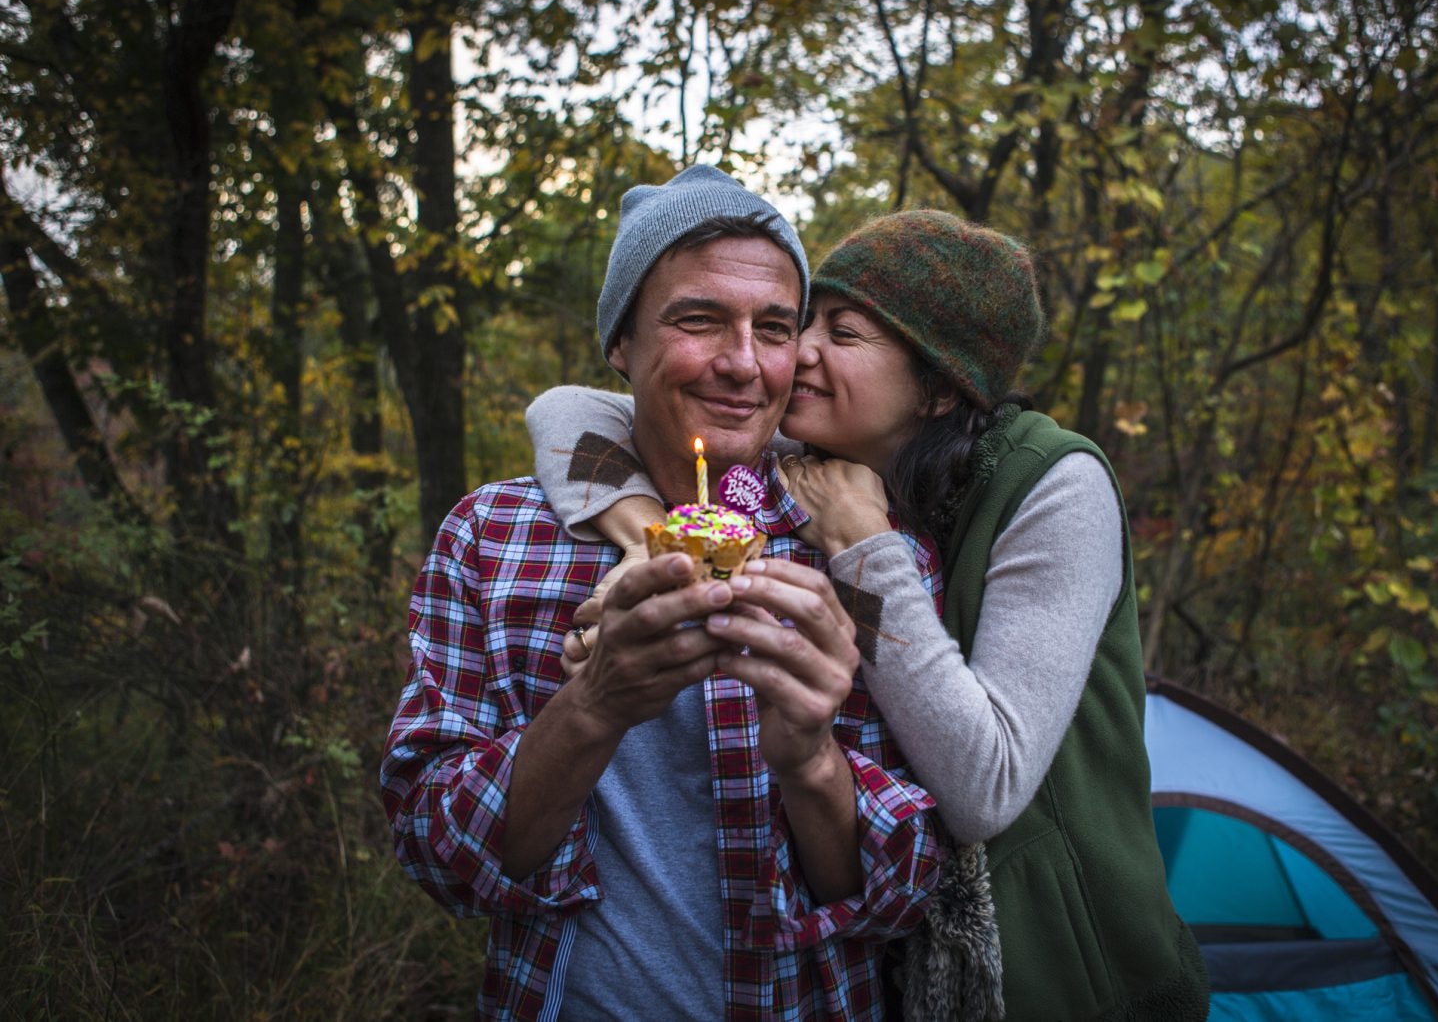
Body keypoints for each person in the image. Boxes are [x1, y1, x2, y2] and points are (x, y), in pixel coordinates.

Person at [528, 210, 1210, 1020]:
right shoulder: (820, 461)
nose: (795, 351)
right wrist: (651, 549)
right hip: (905, 962)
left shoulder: (1056, 487)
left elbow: (984, 785)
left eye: (841, 331)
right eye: (805, 320)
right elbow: (565, 411)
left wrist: (861, 543)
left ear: (941, 386)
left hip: (1073, 964)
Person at [380, 167, 946, 1022]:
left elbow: (905, 893)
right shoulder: (491, 539)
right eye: (698, 319)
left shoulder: (868, 553)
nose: (742, 362)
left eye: (774, 328)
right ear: (621, 343)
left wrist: (809, 758)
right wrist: (594, 706)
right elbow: (435, 851)